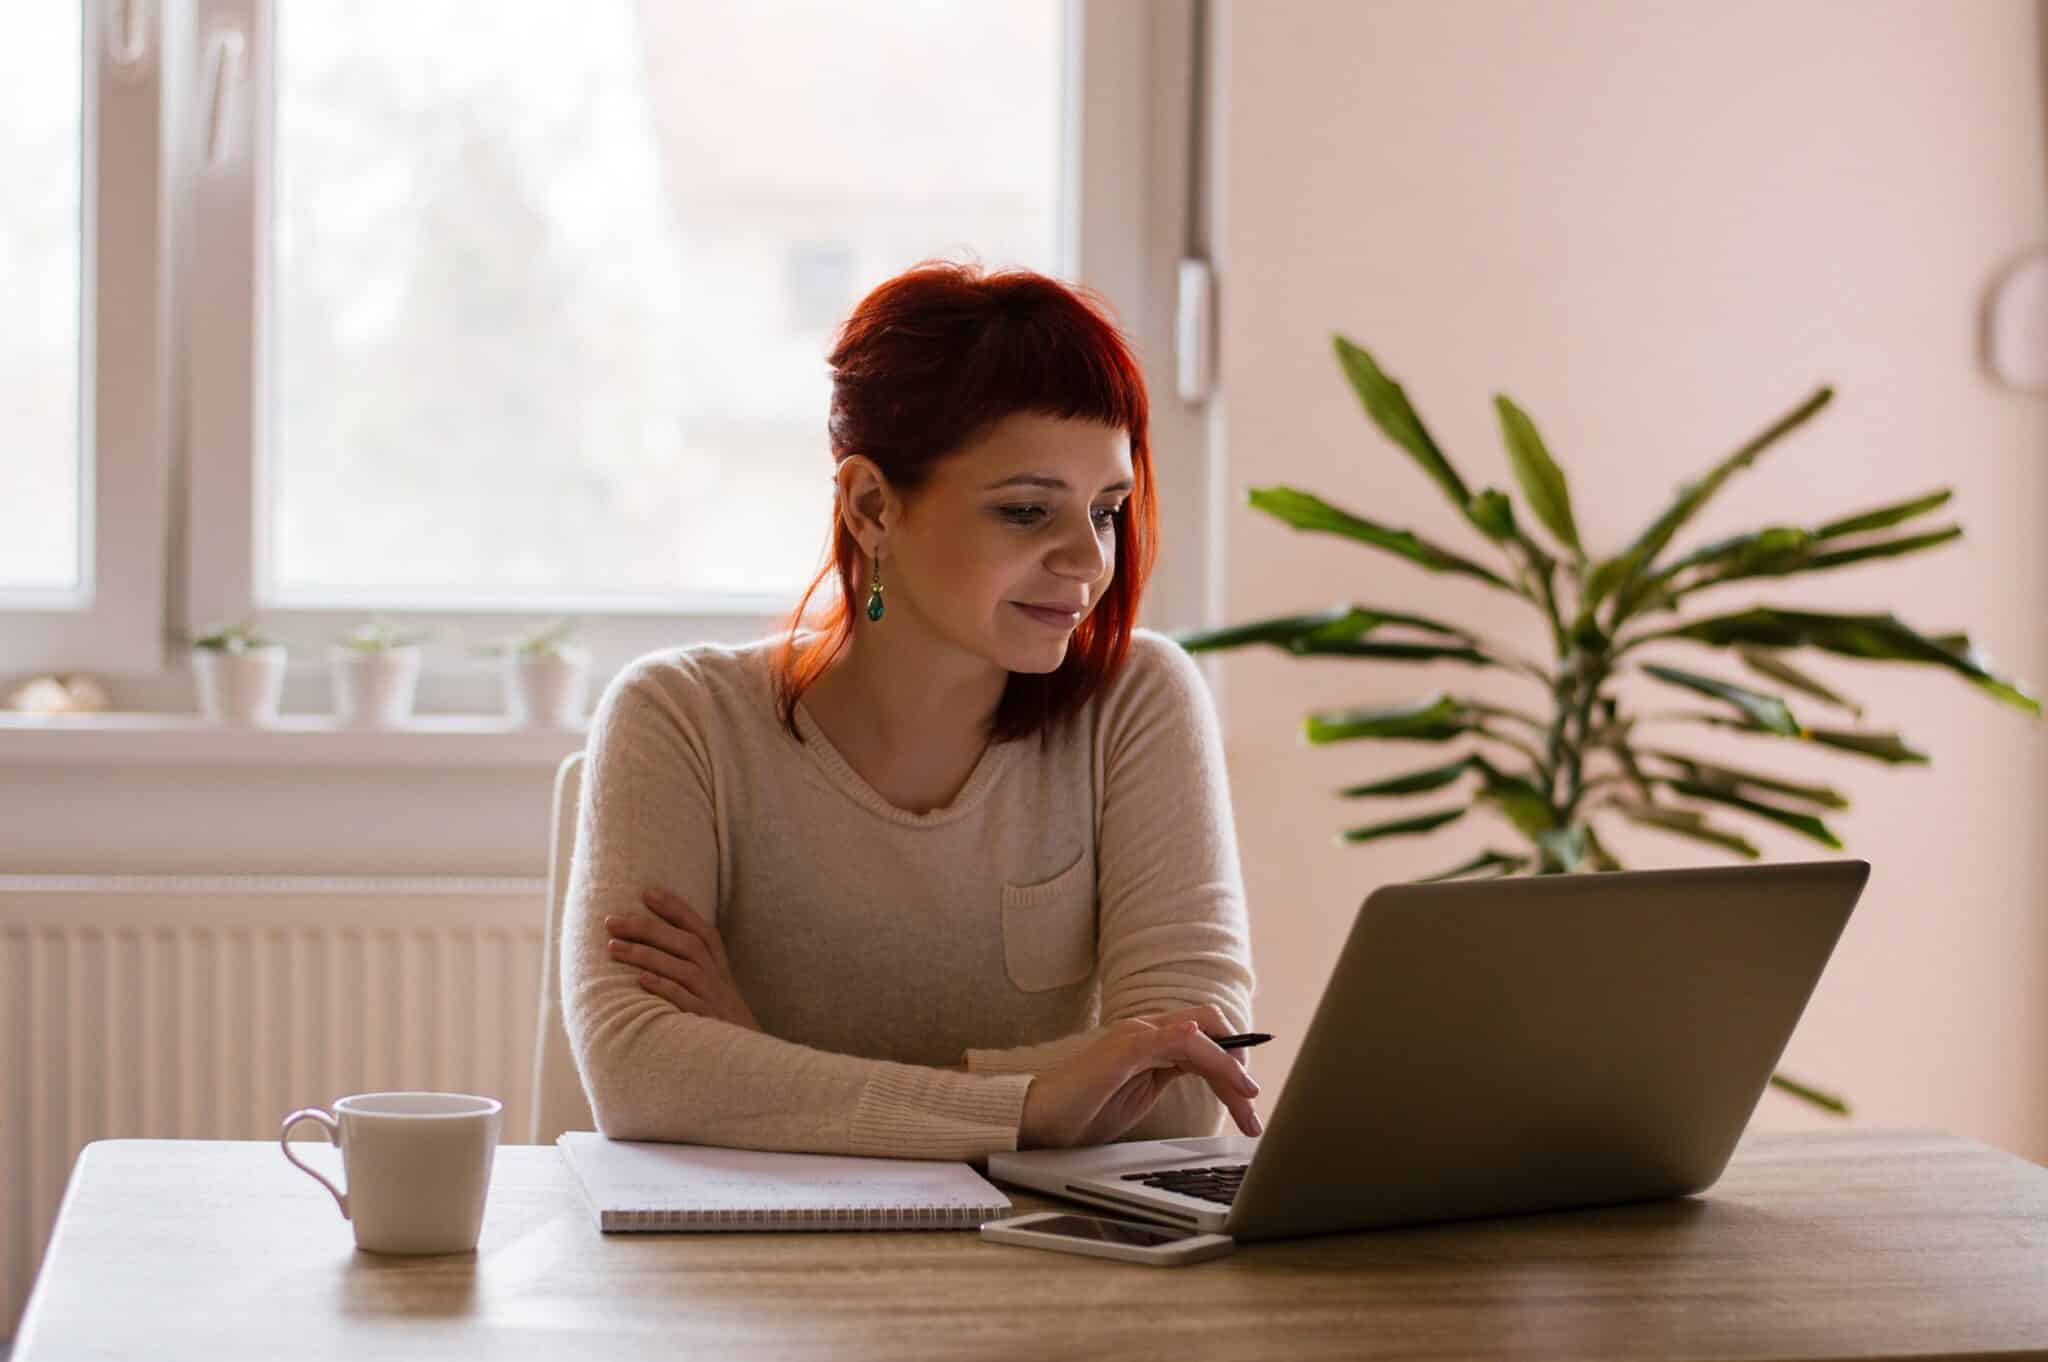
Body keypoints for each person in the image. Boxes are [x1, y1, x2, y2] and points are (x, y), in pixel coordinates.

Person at [562, 259, 1260, 1166]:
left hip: (1047, 1276)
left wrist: (762, 1064)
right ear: (870, 505)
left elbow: (1187, 1089)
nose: (1088, 561)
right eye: (1025, 511)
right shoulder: (680, 718)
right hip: (745, 1277)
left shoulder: (1137, 702)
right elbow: (638, 1074)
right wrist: (1037, 1103)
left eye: (1107, 510)